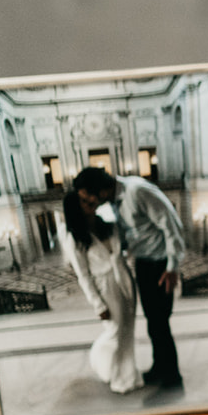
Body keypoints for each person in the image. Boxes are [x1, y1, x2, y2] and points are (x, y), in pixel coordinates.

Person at [74, 166, 186, 388]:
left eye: (90, 198)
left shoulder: (138, 191)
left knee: (160, 322)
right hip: (144, 264)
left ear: (101, 191)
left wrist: (172, 267)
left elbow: (172, 226)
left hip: (161, 265)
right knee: (153, 322)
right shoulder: (115, 202)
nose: (91, 204)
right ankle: (159, 366)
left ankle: (172, 374)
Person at [58, 190, 143, 394]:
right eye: (83, 200)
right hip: (105, 286)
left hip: (124, 279)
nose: (91, 200)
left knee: (127, 331)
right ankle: (104, 365)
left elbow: (125, 247)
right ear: (74, 207)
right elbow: (83, 275)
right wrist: (98, 304)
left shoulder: (107, 224)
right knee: (114, 332)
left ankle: (128, 375)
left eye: (89, 198)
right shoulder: (74, 237)